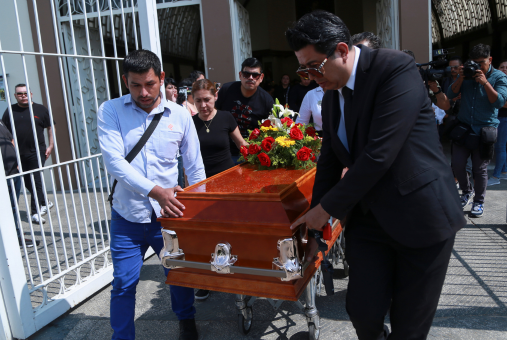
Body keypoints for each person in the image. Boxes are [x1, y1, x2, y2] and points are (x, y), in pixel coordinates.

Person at [286, 10, 465, 339]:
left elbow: (379, 154)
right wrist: (315, 234)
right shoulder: (331, 94)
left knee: (408, 327)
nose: (310, 76)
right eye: (303, 68)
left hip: (422, 217)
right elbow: (328, 163)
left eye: (314, 66)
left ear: (341, 50)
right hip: (370, 221)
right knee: (362, 310)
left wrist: (324, 211)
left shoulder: (394, 68)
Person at [97, 49, 205, 340]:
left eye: (150, 84)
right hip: (127, 217)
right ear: (125, 80)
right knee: (123, 282)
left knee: (179, 275)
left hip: (170, 216)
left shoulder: (180, 115)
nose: (143, 92)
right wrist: (156, 191)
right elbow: (114, 162)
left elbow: (195, 168)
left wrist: (200, 210)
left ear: (161, 78)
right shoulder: (110, 111)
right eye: (135, 85)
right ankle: (122, 337)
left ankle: (186, 320)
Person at [190, 79, 248, 300]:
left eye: (207, 99)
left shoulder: (225, 117)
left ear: (215, 97)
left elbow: (241, 145)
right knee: (205, 234)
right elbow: (187, 157)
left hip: (227, 182)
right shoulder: (190, 122)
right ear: (193, 101)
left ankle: (235, 270)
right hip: (201, 184)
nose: (203, 105)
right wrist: (190, 189)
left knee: (229, 229)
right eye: (198, 101)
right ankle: (207, 280)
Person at [447, 43, 507, 216]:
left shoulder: (499, 77)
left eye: (481, 62)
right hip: (464, 127)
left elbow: (499, 102)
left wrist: (485, 82)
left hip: (485, 130)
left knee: (479, 169)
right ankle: (467, 191)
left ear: (490, 59)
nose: (478, 66)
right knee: (457, 165)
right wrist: (460, 77)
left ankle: (479, 202)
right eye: (474, 62)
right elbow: (450, 95)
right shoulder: (466, 75)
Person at [2, 84, 54, 224]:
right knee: (25, 181)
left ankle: (35, 212)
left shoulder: (40, 109)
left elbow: (50, 127)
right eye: (20, 94)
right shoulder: (10, 110)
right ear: (15, 96)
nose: (23, 95)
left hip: (37, 151)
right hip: (17, 153)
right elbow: (4, 132)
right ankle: (44, 200)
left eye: (25, 93)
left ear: (30, 94)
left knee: (36, 180)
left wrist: (51, 145)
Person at [215, 57, 274, 164]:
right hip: (225, 151)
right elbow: (214, 113)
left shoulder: (267, 101)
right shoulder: (227, 90)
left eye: (255, 75)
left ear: (261, 77)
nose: (250, 78)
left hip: (251, 154)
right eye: (246, 74)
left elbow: (271, 130)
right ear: (240, 75)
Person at [0, 119, 39, 247]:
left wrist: (16, 164)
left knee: (13, 207)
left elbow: (11, 140)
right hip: (3, 175)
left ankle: (16, 237)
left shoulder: (0, 122)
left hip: (13, 172)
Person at [487, 60, 507, 185]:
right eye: (502, 67)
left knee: (500, 147)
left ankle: (496, 177)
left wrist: (495, 100)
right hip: (498, 118)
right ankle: (504, 172)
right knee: (502, 147)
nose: (504, 69)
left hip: (504, 119)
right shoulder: (498, 82)